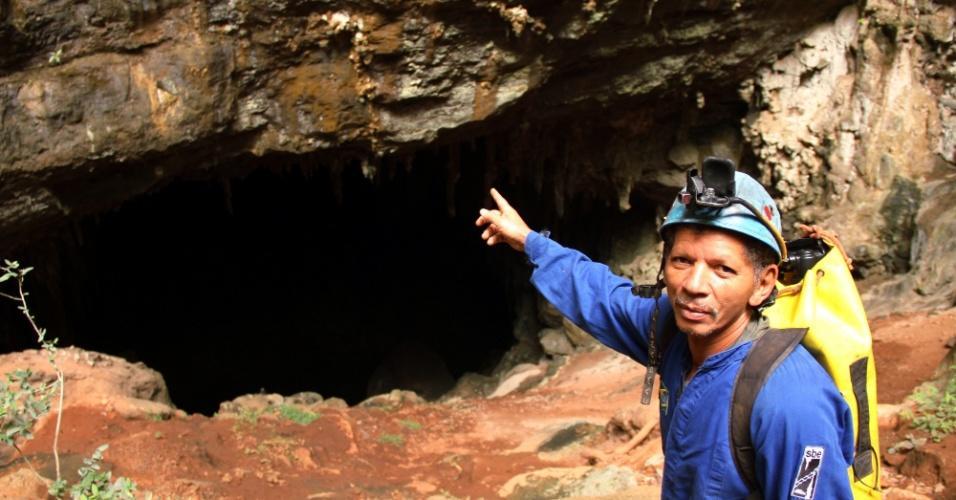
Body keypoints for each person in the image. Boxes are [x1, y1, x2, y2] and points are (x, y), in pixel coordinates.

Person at [475, 159, 854, 499]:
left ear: (763, 284)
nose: (694, 284)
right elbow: (603, 296)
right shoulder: (672, 334)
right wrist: (529, 242)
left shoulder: (791, 399)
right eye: (682, 260)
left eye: (723, 269)